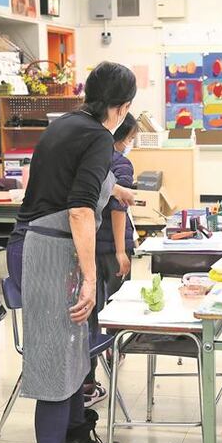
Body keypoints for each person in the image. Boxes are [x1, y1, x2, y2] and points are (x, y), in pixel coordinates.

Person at [5, 61, 136, 443]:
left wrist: (115, 190)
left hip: (47, 243)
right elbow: (80, 208)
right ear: (121, 107)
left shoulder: (68, 125)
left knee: (76, 358)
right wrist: (90, 275)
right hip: (51, 253)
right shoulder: (99, 135)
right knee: (55, 368)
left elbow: (73, 180)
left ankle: (77, 442)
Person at [83, 113, 138, 407]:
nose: (131, 144)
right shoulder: (121, 163)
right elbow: (119, 207)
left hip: (87, 246)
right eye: (131, 138)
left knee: (91, 312)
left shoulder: (92, 159)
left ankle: (88, 380)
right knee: (117, 308)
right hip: (110, 249)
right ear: (124, 137)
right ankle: (114, 352)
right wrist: (121, 251)